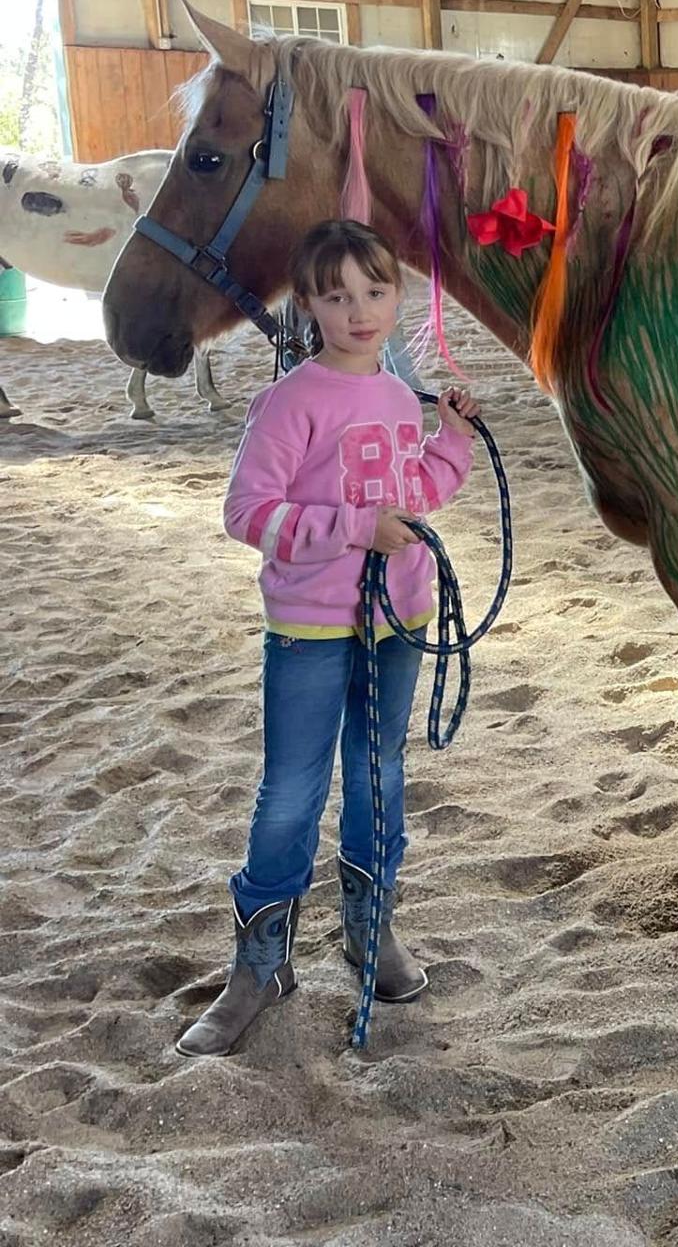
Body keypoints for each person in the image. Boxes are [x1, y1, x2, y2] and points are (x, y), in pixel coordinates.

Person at [178, 220, 479, 1057]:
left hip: (399, 619)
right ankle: (260, 963)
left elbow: (412, 495)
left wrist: (449, 441)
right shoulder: (287, 402)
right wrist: (355, 527)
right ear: (306, 304)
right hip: (310, 628)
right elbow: (248, 514)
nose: (359, 311)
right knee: (291, 789)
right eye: (338, 296)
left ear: (396, 298)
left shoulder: (392, 392)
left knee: (378, 772)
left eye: (375, 293)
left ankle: (370, 927)